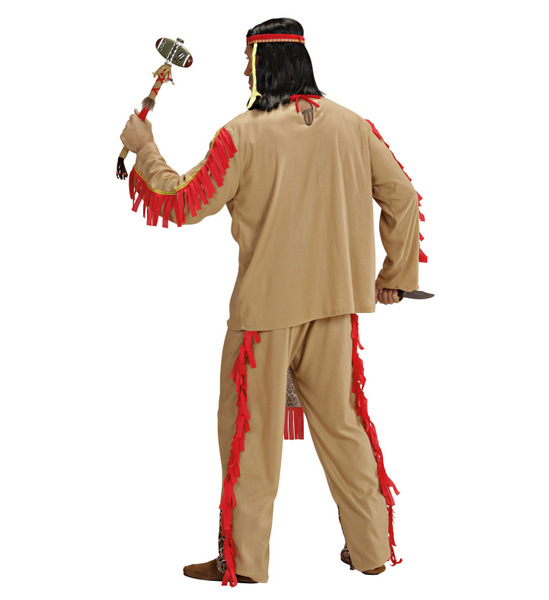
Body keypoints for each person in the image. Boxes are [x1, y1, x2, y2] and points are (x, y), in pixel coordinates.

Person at [120, 17, 426, 587]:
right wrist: (396, 274)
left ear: (269, 63)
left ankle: (243, 562)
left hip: (263, 316)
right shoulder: (353, 127)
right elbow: (403, 195)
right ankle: (371, 549)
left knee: (250, 435)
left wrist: (145, 148)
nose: (244, 71)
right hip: (334, 308)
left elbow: (182, 202)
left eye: (249, 60)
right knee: (344, 427)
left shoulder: (243, 135)